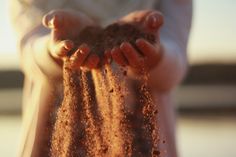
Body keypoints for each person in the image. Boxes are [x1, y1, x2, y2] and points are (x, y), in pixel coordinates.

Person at [10, 0, 192, 156]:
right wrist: (52, 51)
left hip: (142, 134)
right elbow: (28, 51)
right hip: (54, 130)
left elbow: (175, 64)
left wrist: (154, 57)